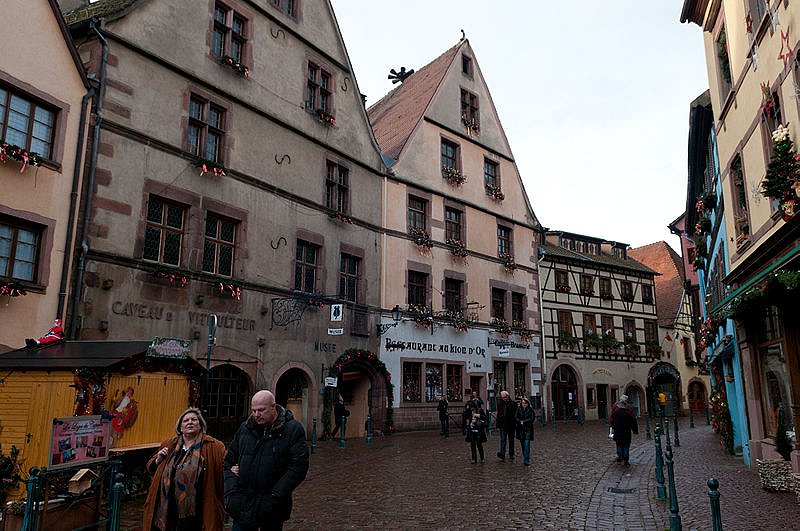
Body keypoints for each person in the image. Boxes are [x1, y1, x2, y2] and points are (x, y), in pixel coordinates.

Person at [224, 390, 309, 530]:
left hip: (272, 508)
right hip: (242, 506)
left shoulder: (292, 430)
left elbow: (298, 467)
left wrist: (275, 496)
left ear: (273, 407)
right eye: (254, 410)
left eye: (261, 410)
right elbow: (227, 463)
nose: (257, 414)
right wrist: (232, 494)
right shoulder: (245, 429)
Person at [142, 408, 226, 531]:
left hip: (197, 510)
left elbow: (224, 466)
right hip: (169, 509)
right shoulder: (169, 445)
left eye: (194, 420)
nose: (190, 422)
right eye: (186, 420)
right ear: (180, 427)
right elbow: (152, 468)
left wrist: (233, 468)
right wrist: (158, 459)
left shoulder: (214, 446)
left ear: (201, 425)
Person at [609, 396, 638, 466]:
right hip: (626, 432)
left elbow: (611, 420)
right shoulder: (628, 413)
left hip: (617, 431)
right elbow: (633, 421)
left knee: (619, 444)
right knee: (626, 445)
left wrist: (612, 427)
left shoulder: (615, 412)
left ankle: (620, 457)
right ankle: (626, 459)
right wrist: (635, 430)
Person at [495, 390, 517, 461]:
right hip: (503, 425)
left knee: (511, 441)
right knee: (503, 440)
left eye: (504, 397)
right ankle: (502, 455)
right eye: (502, 398)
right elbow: (499, 415)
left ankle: (511, 454)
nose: (503, 399)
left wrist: (515, 423)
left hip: (511, 425)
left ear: (507, 396)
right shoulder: (500, 403)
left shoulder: (513, 403)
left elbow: (515, 415)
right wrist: (498, 425)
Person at [515, 397, 536, 466]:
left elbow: (532, 418)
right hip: (520, 429)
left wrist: (524, 421)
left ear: (527, 403)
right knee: (523, 444)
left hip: (528, 429)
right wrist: (519, 421)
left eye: (525, 403)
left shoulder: (530, 410)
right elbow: (516, 417)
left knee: (527, 444)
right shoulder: (518, 409)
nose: (524, 404)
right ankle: (525, 457)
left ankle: (526, 460)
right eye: (523, 403)